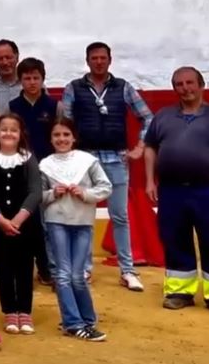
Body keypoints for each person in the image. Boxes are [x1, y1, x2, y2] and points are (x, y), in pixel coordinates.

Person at [62, 42, 153, 292]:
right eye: (94, 58)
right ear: (87, 61)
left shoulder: (123, 87)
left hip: (116, 158)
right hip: (85, 160)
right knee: (84, 216)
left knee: (120, 216)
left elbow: (148, 117)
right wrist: (69, 154)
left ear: (110, 60)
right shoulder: (74, 88)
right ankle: (84, 268)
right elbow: (65, 122)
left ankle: (127, 270)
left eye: (103, 58)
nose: (99, 62)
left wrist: (140, 147)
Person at [143, 67, 209, 311]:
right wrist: (150, 181)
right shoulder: (163, 117)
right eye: (179, 84)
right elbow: (151, 147)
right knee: (174, 239)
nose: (185, 88)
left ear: (201, 85)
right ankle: (179, 292)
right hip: (172, 191)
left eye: (190, 83)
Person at [38, 118, 111, 342]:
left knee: (77, 275)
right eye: (57, 135)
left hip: (82, 222)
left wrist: (86, 194)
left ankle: (87, 320)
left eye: (66, 135)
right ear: (51, 139)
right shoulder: (45, 165)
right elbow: (37, 196)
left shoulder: (88, 161)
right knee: (62, 274)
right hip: (56, 221)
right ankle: (73, 323)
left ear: (74, 137)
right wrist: (53, 193)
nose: (61, 139)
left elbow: (105, 187)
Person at [0, 114, 43, 335]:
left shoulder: (28, 158)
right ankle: (9, 310)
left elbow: (36, 191)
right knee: (3, 267)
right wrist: (0, 218)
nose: (8, 133)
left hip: (24, 224)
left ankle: (24, 310)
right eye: (3, 129)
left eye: (13, 130)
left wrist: (17, 219)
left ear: (20, 134)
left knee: (25, 266)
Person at [8, 57, 59, 285]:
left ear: (42, 79)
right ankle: (32, 266)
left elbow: (61, 137)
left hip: (50, 169)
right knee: (30, 221)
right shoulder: (12, 107)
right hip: (22, 170)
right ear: (20, 81)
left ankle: (51, 268)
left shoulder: (53, 106)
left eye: (35, 78)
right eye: (27, 78)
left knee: (50, 221)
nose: (31, 82)